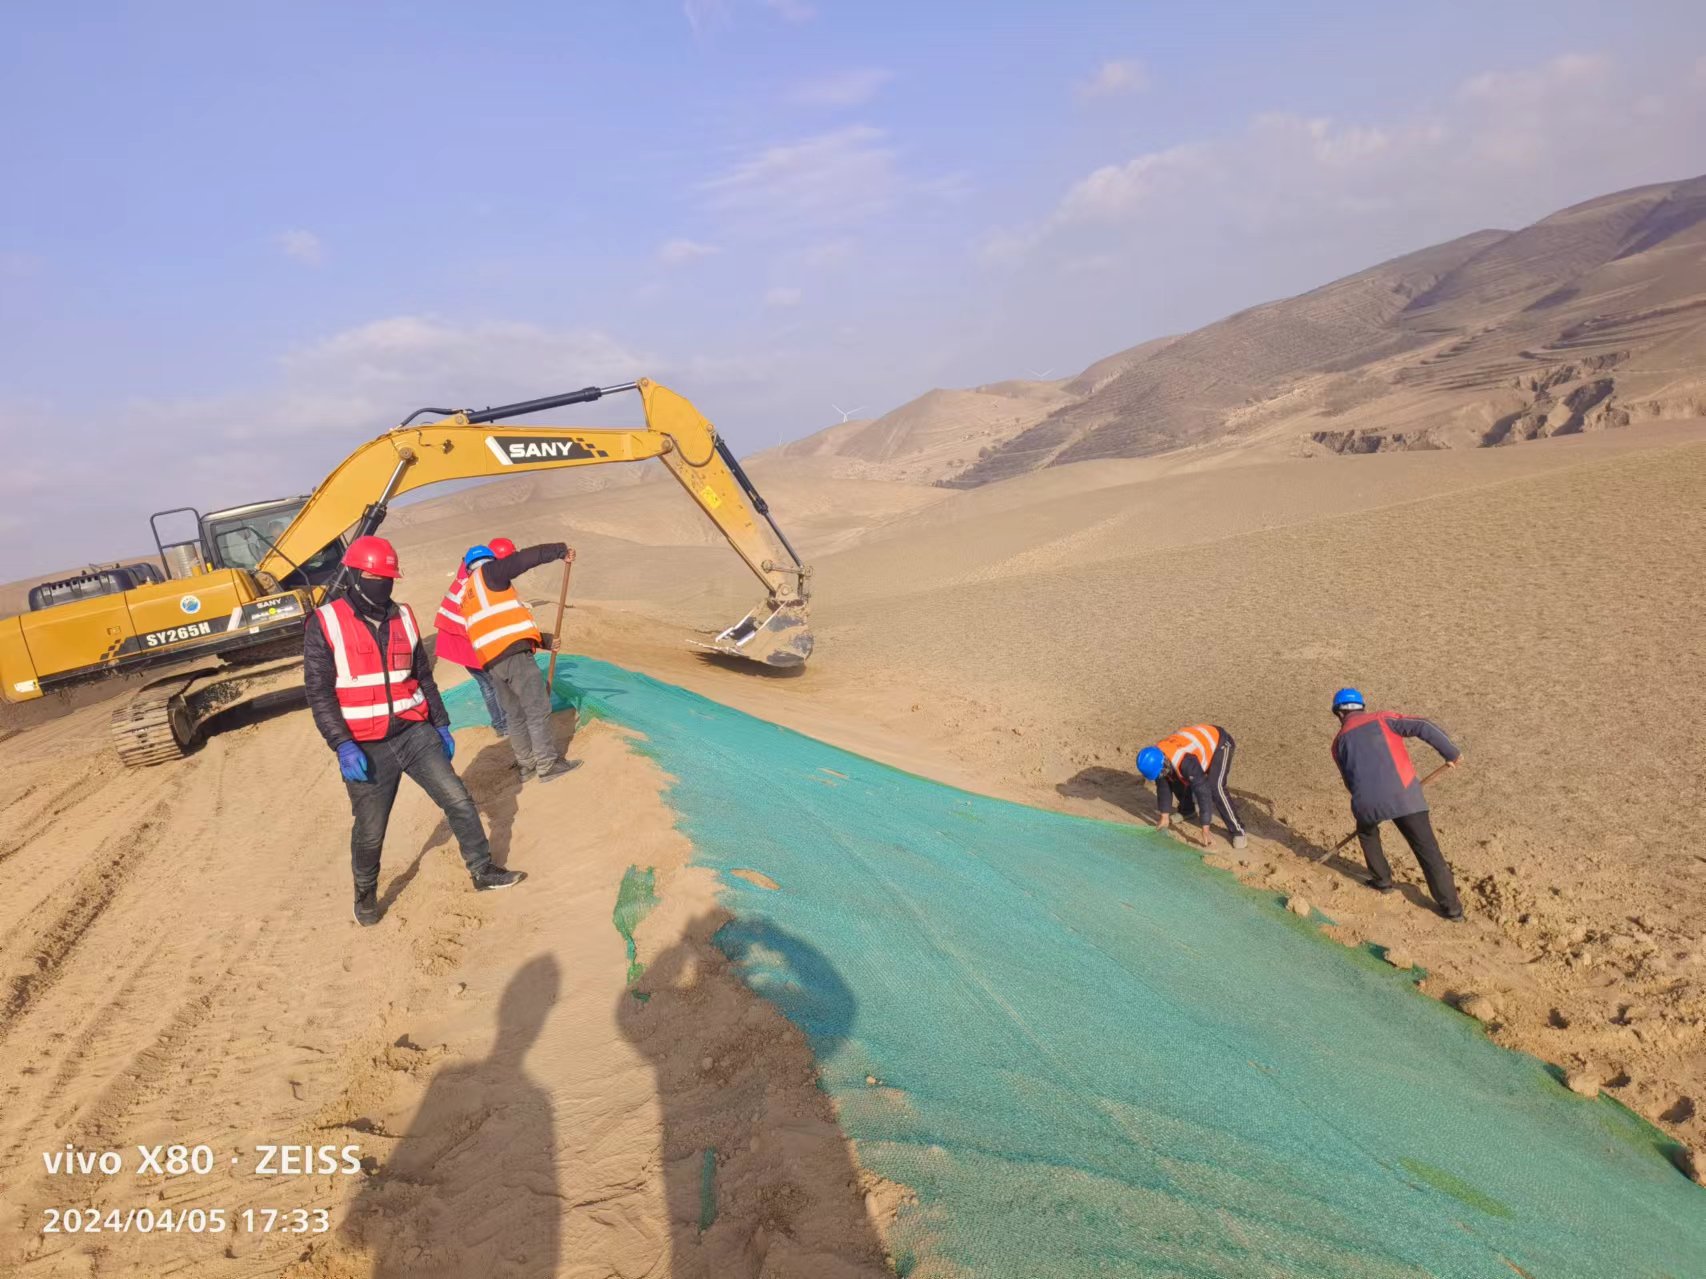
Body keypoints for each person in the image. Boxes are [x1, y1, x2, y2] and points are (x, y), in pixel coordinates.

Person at [304, 535, 525, 927]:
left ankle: (483, 870)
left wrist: (440, 724)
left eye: (389, 577)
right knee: (371, 830)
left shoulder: (403, 615)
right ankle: (365, 895)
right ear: (354, 576)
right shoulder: (325, 623)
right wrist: (341, 744)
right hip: (365, 745)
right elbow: (319, 692)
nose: (383, 584)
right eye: (375, 577)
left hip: (413, 732)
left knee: (458, 799)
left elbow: (423, 675)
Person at [1329, 687, 1465, 920]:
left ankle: (1382, 881)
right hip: (1406, 797)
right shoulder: (1383, 719)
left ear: (1339, 713)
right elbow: (1423, 726)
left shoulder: (1338, 743)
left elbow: (1348, 781)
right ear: (1362, 707)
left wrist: (1367, 802)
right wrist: (1451, 753)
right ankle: (1452, 910)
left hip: (1367, 803)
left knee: (1367, 833)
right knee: (1428, 851)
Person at [461, 539, 577, 782]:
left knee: (514, 715)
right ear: (489, 561)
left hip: (492, 663)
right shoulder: (490, 573)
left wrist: (542, 640)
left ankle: (527, 764)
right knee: (537, 709)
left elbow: (499, 624)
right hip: (514, 658)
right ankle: (547, 764)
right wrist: (559, 550)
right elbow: (522, 560)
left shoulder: (468, 594)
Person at [432, 536, 515, 740]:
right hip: (465, 642)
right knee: (491, 683)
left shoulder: (470, 570)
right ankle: (502, 724)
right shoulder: (480, 581)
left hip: (457, 639)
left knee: (487, 683)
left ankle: (501, 723)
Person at [1137, 724, 1248, 849]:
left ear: (1164, 762)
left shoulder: (1185, 761)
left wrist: (1205, 828)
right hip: (1194, 745)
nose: (1160, 775)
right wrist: (1164, 816)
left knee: (1215, 786)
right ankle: (1187, 811)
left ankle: (1238, 830)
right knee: (1172, 777)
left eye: (1160, 772)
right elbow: (1163, 785)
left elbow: (1203, 791)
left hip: (1220, 743)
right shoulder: (1157, 757)